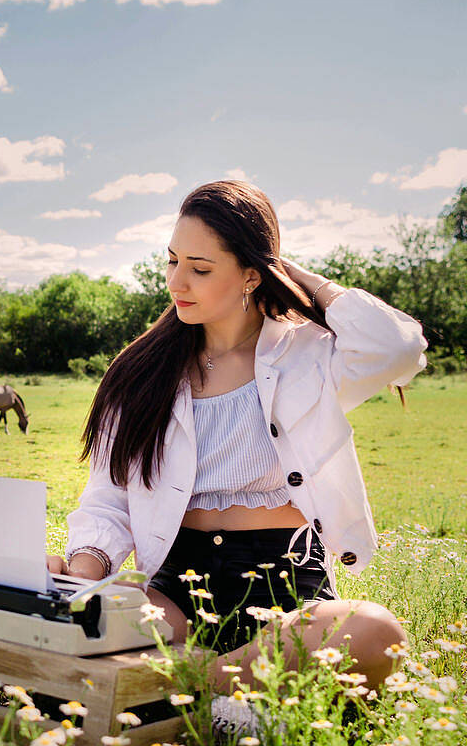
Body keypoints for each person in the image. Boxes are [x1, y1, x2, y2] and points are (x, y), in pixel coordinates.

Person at [47, 180, 426, 695]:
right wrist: (84, 578)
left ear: (251, 274)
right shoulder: (142, 373)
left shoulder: (307, 356)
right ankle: (239, 684)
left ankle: (190, 678)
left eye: (200, 269)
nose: (177, 282)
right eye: (172, 261)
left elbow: (398, 349)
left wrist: (300, 279)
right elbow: (108, 497)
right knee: (67, 627)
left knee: (377, 634)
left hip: (287, 582)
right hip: (179, 585)